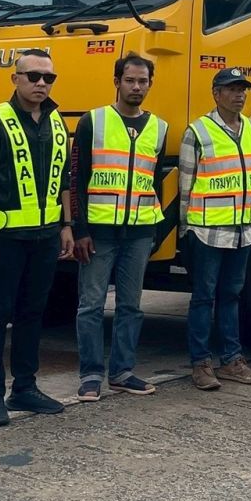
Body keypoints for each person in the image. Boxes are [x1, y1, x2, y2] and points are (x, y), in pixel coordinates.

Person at [0, 48, 73, 426]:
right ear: (15, 78)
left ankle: (25, 388)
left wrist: (66, 225)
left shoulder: (56, 121)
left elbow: (63, 179)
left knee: (33, 314)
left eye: (49, 78)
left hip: (45, 238)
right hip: (4, 238)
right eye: (33, 76)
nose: (41, 83)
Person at [70, 53, 169, 402]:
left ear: (150, 84)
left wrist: (154, 231)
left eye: (143, 81)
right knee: (91, 305)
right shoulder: (93, 122)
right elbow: (77, 179)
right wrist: (80, 229)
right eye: (130, 80)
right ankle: (90, 375)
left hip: (139, 231)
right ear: (117, 82)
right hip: (99, 231)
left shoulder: (159, 127)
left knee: (131, 306)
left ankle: (123, 372)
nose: (136, 87)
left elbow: (154, 180)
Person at [181, 68, 251, 391]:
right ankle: (201, 363)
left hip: (241, 230)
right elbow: (186, 185)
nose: (239, 95)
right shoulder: (198, 131)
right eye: (231, 89)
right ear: (216, 94)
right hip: (207, 231)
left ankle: (231, 360)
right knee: (203, 298)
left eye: (242, 89)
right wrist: (185, 230)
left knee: (231, 296)